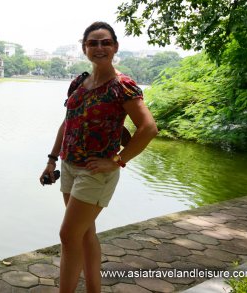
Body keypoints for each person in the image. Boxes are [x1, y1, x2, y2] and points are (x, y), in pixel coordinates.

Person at [40, 21, 158, 293]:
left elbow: (148, 128)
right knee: (84, 234)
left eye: (105, 42)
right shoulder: (79, 82)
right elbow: (67, 123)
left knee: (68, 235)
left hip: (96, 171)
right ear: (84, 48)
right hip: (69, 165)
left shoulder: (122, 86)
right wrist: (51, 159)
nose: (99, 47)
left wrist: (117, 160)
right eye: (93, 43)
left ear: (115, 47)